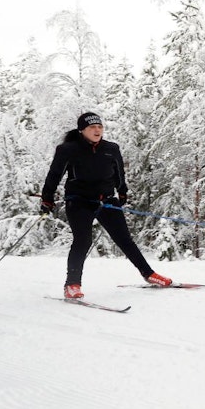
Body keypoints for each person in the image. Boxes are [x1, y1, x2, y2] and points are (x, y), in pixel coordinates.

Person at [40, 112, 172, 298]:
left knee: (124, 240)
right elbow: (54, 175)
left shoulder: (111, 148)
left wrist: (122, 191)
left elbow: (119, 172)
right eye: (92, 127)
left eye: (100, 127)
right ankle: (72, 285)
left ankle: (149, 274)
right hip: (79, 202)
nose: (97, 130)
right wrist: (47, 198)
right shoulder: (68, 149)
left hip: (107, 201)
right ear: (82, 130)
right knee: (82, 240)